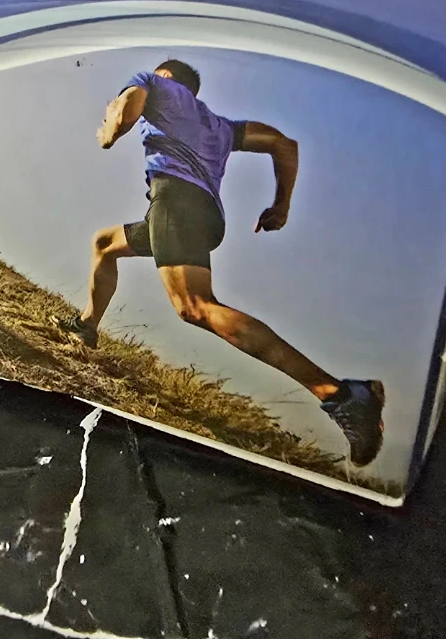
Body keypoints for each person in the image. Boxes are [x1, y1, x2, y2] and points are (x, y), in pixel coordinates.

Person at [57, 59, 386, 466]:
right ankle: (86, 326)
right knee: (105, 244)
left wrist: (109, 130)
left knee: (195, 307)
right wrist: (281, 206)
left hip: (175, 203)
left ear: (165, 75)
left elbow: (128, 107)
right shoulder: (221, 127)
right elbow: (284, 144)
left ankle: (341, 395)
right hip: (202, 213)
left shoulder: (154, 83)